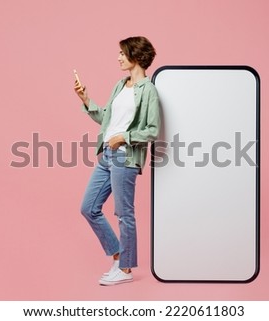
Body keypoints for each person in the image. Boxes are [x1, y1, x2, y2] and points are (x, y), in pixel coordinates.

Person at [74, 36, 160, 286]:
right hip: (107, 156)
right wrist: (86, 100)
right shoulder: (120, 85)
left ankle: (125, 270)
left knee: (124, 214)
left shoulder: (149, 91)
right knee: (88, 208)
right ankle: (118, 256)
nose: (119, 57)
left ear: (136, 55)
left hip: (125, 157)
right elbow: (107, 119)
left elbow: (153, 129)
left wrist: (124, 137)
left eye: (123, 53)